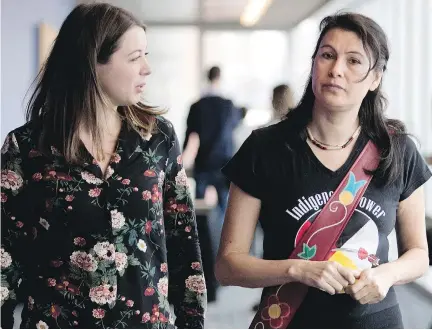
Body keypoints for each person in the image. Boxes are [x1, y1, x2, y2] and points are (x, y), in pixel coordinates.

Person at [215, 12, 431, 329]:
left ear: (375, 78)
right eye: (327, 55)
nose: (336, 70)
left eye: (354, 61)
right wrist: (297, 270)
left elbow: (418, 255)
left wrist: (385, 275)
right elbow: (227, 265)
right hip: (291, 320)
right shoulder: (266, 149)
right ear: (314, 63)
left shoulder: (397, 150)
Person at [1, 3, 206, 329]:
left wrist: (192, 323)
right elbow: (5, 256)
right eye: (135, 57)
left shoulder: (158, 137)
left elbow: (183, 241)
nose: (147, 68)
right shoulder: (27, 147)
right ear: (92, 63)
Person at [183, 66, 240, 234]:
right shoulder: (229, 105)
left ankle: (203, 247)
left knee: (199, 212)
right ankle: (223, 246)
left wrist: (181, 161)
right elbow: (235, 131)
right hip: (225, 164)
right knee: (226, 212)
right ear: (220, 78)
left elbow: (190, 137)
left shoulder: (197, 106)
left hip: (204, 162)